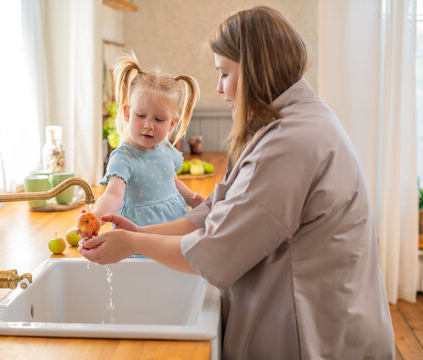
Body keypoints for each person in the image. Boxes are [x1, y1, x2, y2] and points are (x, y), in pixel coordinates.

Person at [80, 6, 394, 360]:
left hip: (316, 335)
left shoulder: (291, 142)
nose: (218, 88)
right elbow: (218, 208)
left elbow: (218, 250)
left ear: (256, 71)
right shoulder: (288, 124)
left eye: (225, 73)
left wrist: (133, 242)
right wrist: (141, 232)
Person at [91, 53, 205, 232]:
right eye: (141, 116)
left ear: (172, 123)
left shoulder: (166, 148)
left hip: (172, 225)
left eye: (159, 119)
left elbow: (172, 181)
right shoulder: (124, 157)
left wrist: (191, 198)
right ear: (128, 114)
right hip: (137, 232)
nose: (148, 125)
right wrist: (96, 218)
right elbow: (113, 194)